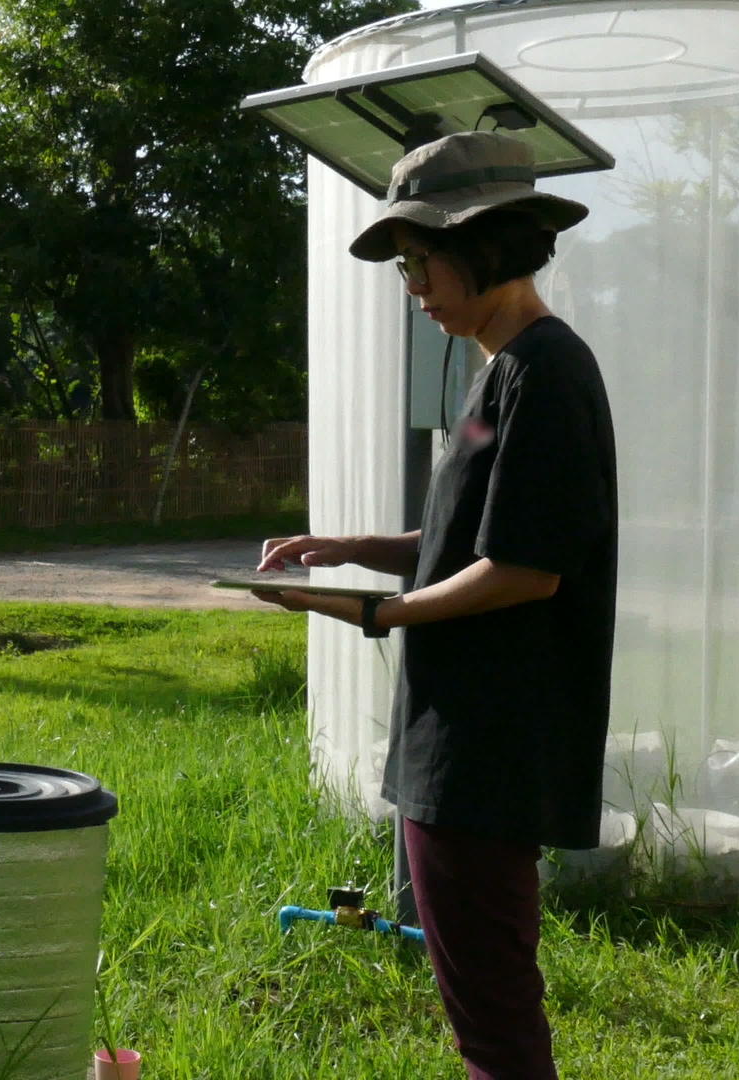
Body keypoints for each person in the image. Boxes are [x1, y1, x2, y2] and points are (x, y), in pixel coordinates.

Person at [253, 130, 617, 1080]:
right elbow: (469, 537)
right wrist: (349, 550)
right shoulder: (500, 370)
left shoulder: (550, 373)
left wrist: (373, 615)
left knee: (493, 1013)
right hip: (455, 730)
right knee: (477, 996)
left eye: (422, 261)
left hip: (490, 741)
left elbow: (527, 570)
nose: (411, 285)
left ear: (487, 249)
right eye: (403, 265)